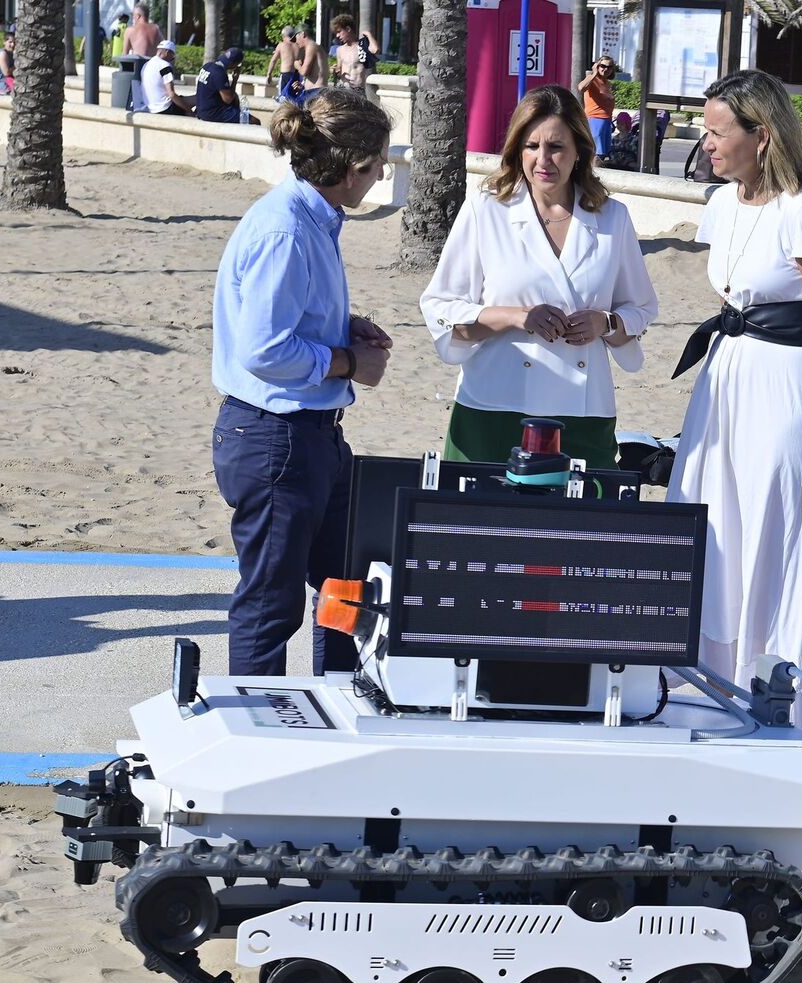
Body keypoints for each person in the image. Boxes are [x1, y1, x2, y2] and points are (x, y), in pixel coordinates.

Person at [668, 69, 802, 728]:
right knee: (713, 529)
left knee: (776, 541)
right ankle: (707, 690)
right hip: (725, 385)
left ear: (763, 135)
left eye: (719, 132)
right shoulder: (721, 202)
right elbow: (734, 299)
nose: (707, 143)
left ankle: (778, 698)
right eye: (706, 129)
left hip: (787, 392)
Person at [212, 88, 394, 676]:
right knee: (272, 603)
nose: (381, 174)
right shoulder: (286, 230)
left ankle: (339, 699)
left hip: (306, 436)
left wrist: (343, 326)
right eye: (375, 165)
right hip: (276, 438)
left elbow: (284, 320)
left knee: (346, 581)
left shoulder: (311, 219)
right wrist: (346, 361)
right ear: (349, 170)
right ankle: (255, 739)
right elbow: (263, 348)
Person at [420, 84, 659, 466]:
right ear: (517, 148)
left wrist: (606, 322)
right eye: (531, 146)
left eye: (556, 146)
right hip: (493, 406)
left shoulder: (613, 218)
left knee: (579, 526)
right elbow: (441, 308)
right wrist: (516, 317)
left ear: (579, 150)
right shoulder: (486, 210)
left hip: (584, 414)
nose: (543, 159)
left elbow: (642, 308)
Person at [196, 46, 259, 125]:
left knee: (235, 98)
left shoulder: (207, 66)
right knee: (255, 121)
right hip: (213, 113)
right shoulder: (219, 73)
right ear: (233, 64)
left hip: (201, 111)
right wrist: (235, 80)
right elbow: (228, 99)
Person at [578, 56, 617, 161]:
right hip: (595, 120)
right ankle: (591, 175)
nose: (606, 69)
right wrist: (594, 73)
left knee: (604, 155)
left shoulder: (608, 84)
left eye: (609, 67)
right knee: (596, 154)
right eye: (603, 66)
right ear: (597, 66)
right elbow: (581, 88)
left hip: (607, 121)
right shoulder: (592, 80)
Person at [139, 40, 193, 116]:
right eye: (172, 57)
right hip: (164, 108)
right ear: (167, 52)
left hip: (150, 107)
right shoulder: (165, 65)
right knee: (197, 99)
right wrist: (189, 111)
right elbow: (171, 94)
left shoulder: (147, 64)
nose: (172, 59)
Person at [329, 14, 377, 92]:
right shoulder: (340, 50)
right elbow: (339, 70)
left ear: (348, 29)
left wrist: (369, 35)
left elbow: (375, 50)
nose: (337, 35)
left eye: (339, 32)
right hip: (343, 89)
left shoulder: (362, 47)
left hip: (358, 90)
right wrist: (334, 71)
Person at [266, 26, 301, 103]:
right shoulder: (298, 46)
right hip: (296, 75)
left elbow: (273, 60)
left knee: (283, 98)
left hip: (286, 74)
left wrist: (269, 74)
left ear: (283, 35)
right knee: (294, 98)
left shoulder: (281, 45)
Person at [0, 29, 13, 95]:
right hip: (5, 87)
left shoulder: (11, 53)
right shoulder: (3, 54)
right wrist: (18, 66)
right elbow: (6, 73)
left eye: (15, 42)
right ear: (4, 42)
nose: (12, 44)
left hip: (11, 84)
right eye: (10, 42)